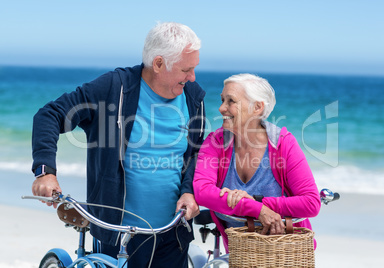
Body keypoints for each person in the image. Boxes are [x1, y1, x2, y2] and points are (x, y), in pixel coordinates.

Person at [31, 22, 205, 267]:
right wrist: (45, 171)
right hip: (118, 236)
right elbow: (51, 114)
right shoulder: (114, 88)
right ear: (158, 64)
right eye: (186, 69)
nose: (192, 77)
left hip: (173, 234)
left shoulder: (192, 96)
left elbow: (195, 154)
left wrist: (189, 191)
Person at [193, 73, 321, 253]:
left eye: (231, 101)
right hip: (240, 254)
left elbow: (311, 203)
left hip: (286, 253)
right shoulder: (215, 142)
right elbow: (202, 192)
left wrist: (258, 201)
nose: (222, 108)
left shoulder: (283, 143)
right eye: (222, 100)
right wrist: (255, 209)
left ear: (257, 107)